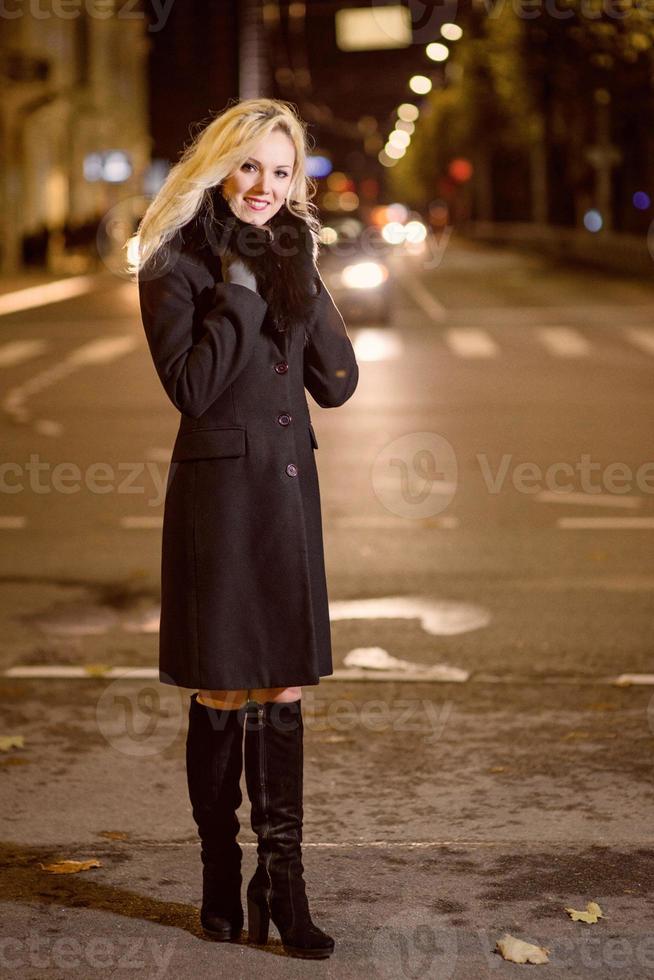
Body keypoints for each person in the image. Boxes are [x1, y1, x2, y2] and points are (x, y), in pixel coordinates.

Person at [131, 98, 359, 959]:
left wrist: (306, 276)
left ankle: (285, 883)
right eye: (251, 166)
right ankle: (220, 874)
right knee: (226, 688)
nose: (265, 185)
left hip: (287, 498)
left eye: (282, 170)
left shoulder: (292, 251)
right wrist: (239, 287)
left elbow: (335, 384)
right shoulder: (174, 262)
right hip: (221, 502)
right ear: (220, 168)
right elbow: (193, 388)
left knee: (286, 690)